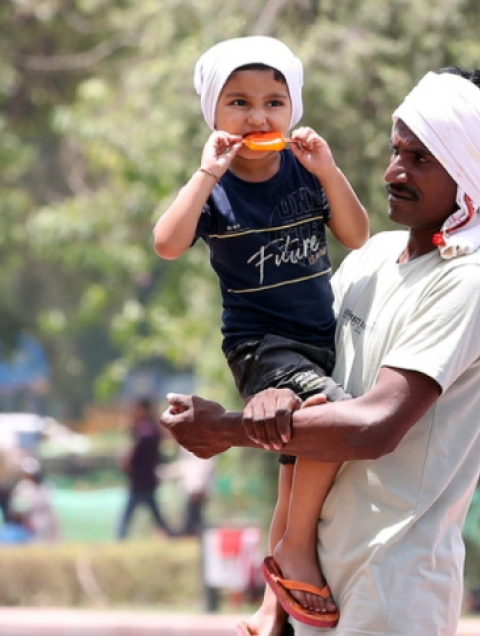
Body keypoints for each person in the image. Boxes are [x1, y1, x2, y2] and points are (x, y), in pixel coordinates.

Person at [161, 66, 480, 636]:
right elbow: (306, 399)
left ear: (469, 172)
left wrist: (228, 429)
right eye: (396, 151)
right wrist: (279, 605)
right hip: (317, 587)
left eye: (421, 159)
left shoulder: (469, 281)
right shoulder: (372, 258)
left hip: (396, 583)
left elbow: (373, 426)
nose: (394, 172)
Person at [153, 35, 369, 624]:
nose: (258, 115)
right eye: (239, 102)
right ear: (214, 114)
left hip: (317, 339)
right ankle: (297, 549)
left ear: (293, 110)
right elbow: (166, 243)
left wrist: (328, 169)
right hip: (260, 347)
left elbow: (356, 235)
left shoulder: (304, 169)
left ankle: (272, 606)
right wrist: (204, 172)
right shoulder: (215, 188)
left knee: (297, 465)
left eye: (274, 102)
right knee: (329, 411)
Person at [117, 396, 175, 540]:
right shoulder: (150, 428)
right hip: (144, 478)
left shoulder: (146, 429)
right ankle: (170, 534)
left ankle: (120, 538)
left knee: (128, 515)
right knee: (153, 513)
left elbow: (138, 449)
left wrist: (128, 459)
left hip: (142, 478)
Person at [10, 456, 60, 541]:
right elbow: (17, 510)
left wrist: (54, 528)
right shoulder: (22, 487)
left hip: (45, 523)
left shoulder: (46, 486)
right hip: (29, 526)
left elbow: (50, 509)